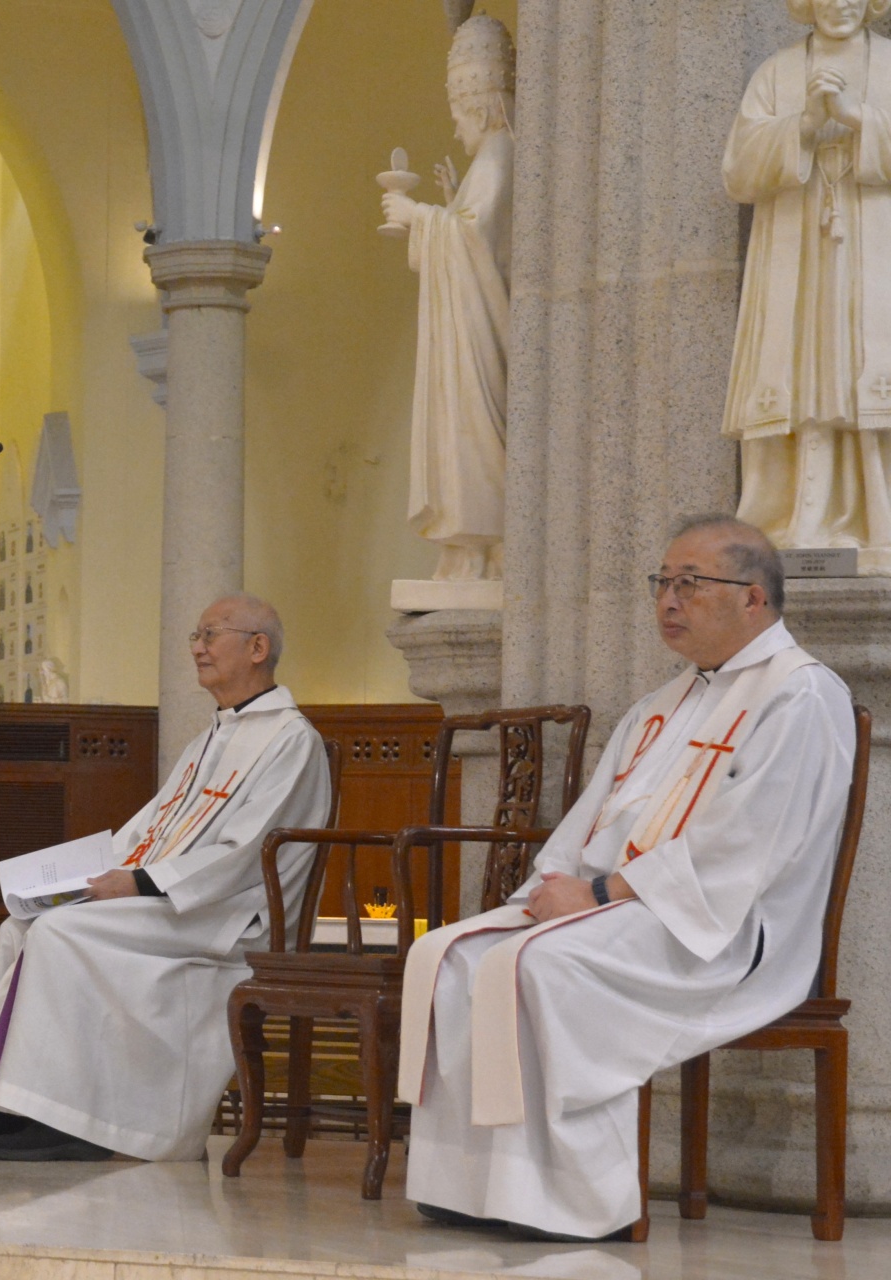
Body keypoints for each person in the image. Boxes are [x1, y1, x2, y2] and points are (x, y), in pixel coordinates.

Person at [401, 516, 854, 1242]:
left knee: (546, 966)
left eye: (689, 584)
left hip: (721, 931)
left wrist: (595, 896)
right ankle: (470, 1187)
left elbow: (746, 846)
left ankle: (573, 1201)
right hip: (629, 909)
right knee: (452, 955)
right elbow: (587, 822)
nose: (668, 600)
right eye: (662, 583)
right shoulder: (663, 704)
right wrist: (551, 887)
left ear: (753, 598)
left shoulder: (798, 694)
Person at [0, 594, 332, 1161]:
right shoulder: (211, 738)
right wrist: (80, 880)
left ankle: (73, 1120)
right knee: (20, 929)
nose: (197, 647)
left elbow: (246, 852)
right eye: (195, 635)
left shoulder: (290, 740)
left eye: (211, 634)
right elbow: (148, 830)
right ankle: (10, 1102)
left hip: (230, 918)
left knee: (61, 934)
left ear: (257, 648)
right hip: (178, 902)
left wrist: (139, 884)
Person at [723, 0, 891, 571]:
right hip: (797, 249)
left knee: (864, 363)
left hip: (873, 246)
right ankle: (799, 515)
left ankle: (878, 518)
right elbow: (739, 170)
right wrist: (804, 124)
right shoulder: (776, 73)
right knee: (802, 362)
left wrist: (857, 117)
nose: (840, 3)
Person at [380, 15, 514, 583]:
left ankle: (483, 546)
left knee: (474, 433)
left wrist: (419, 216)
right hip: (469, 321)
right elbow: (474, 230)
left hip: (480, 334)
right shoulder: (489, 160)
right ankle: (469, 550)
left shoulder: (501, 154)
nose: (456, 130)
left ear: (480, 109)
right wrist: (447, 204)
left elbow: (475, 239)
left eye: (459, 117)